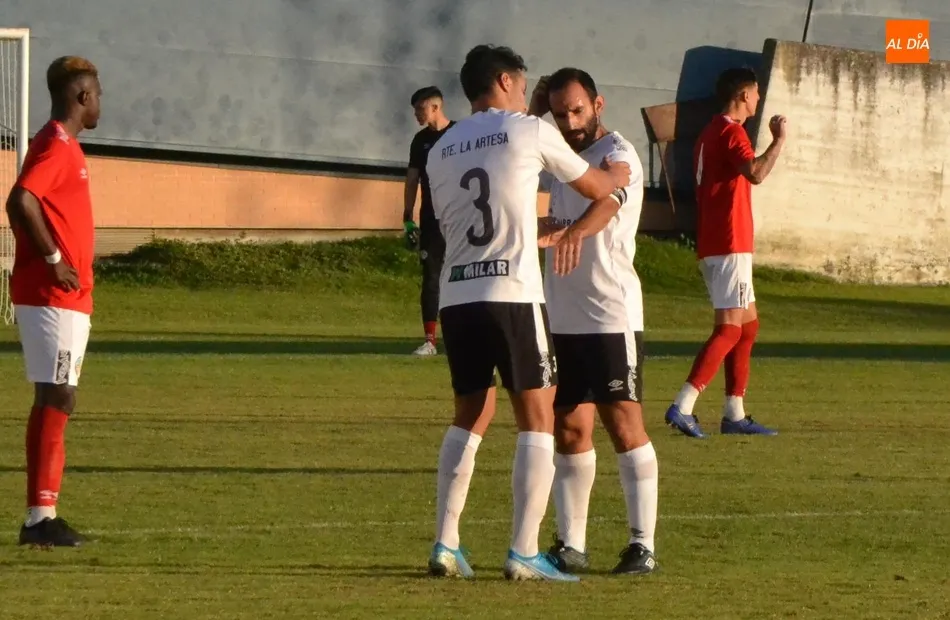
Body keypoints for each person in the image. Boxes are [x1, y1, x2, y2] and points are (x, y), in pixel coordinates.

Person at [424, 44, 632, 581]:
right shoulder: (529, 130)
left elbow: (463, 219)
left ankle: (445, 544)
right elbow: (595, 185)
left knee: (469, 415)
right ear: (504, 80)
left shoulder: (440, 148)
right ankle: (523, 551)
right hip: (513, 294)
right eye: (522, 84)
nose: (526, 94)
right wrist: (616, 176)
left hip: (458, 296)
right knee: (537, 418)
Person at [529, 68, 658, 575]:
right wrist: (533, 111)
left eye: (577, 111)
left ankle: (642, 545)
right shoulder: (559, 153)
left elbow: (609, 201)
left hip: (610, 313)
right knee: (569, 427)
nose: (569, 122)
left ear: (598, 104)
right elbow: (516, 151)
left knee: (623, 424)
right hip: (562, 315)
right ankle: (571, 545)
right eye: (560, 113)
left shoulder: (618, 153)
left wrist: (575, 233)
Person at [6, 56, 102, 547]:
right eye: (98, 94)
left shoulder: (64, 146)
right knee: (56, 394)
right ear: (82, 97)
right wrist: (53, 259)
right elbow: (20, 200)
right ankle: (40, 518)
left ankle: (41, 514)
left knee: (57, 394)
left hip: (66, 297)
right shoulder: (56, 145)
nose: (101, 103)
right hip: (52, 295)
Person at [664, 67, 786, 439]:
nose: (758, 99)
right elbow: (756, 173)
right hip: (729, 242)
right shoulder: (731, 132)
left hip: (720, 242)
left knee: (747, 327)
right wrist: (779, 141)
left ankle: (734, 413)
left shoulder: (711, 131)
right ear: (744, 95)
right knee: (730, 329)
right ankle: (683, 405)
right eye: (756, 92)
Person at [403, 86, 455, 356]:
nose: (416, 114)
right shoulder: (420, 140)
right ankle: (430, 340)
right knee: (432, 275)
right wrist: (408, 216)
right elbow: (412, 178)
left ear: (436, 107)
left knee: (459, 275)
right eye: (414, 110)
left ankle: (460, 336)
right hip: (431, 219)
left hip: (459, 217)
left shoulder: (460, 133)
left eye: (420, 108)